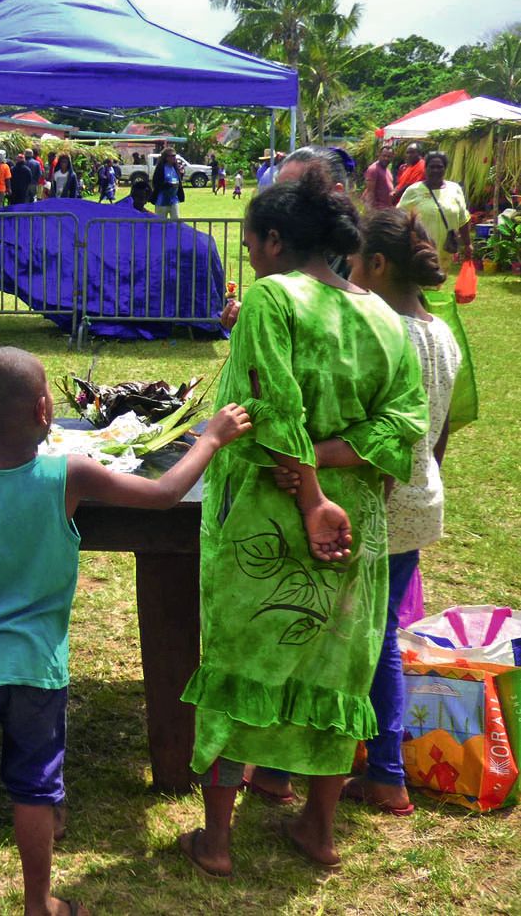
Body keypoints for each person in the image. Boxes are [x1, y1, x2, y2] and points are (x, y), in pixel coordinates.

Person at [0, 348, 250, 916]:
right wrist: (211, 438)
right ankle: (39, 906)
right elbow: (163, 495)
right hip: (37, 668)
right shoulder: (67, 473)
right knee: (34, 787)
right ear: (46, 408)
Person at [177, 171, 427, 879]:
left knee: (240, 660)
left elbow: (273, 404)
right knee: (333, 666)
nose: (250, 257)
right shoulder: (382, 314)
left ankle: (217, 841)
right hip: (355, 523)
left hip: (272, 509)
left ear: (276, 240)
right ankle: (317, 829)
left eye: (252, 243)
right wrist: (329, 469)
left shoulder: (271, 297)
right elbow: (403, 420)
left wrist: (308, 490)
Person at [323, 210, 459, 817]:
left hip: (378, 498)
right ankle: (374, 763)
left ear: (376, 264)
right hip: (421, 497)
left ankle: (384, 771)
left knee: (362, 637)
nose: (349, 274)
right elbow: (440, 434)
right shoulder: (443, 334)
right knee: (377, 635)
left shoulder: (380, 330)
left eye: (353, 263)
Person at [398, 150, 473, 263]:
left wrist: (467, 244)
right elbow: (399, 218)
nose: (435, 170)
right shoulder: (413, 190)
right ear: (425, 168)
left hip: (446, 252)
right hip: (421, 252)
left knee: (441, 279)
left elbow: (463, 219)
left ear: (445, 168)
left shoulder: (455, 189)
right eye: (432, 167)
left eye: (439, 167)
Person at [150, 147, 186, 220]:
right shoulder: (161, 168)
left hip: (173, 200)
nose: (174, 157)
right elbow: (156, 183)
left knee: (176, 222)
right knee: (161, 224)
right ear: (166, 157)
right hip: (162, 201)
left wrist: (181, 175)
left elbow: (178, 180)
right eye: (172, 156)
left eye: (174, 155)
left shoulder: (175, 167)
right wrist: (168, 185)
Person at [362, 143, 394, 211]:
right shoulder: (373, 169)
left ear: (392, 157)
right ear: (379, 155)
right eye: (384, 156)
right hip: (378, 211)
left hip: (386, 210)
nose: (386, 158)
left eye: (389, 156)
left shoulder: (387, 170)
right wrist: (371, 212)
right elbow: (370, 192)